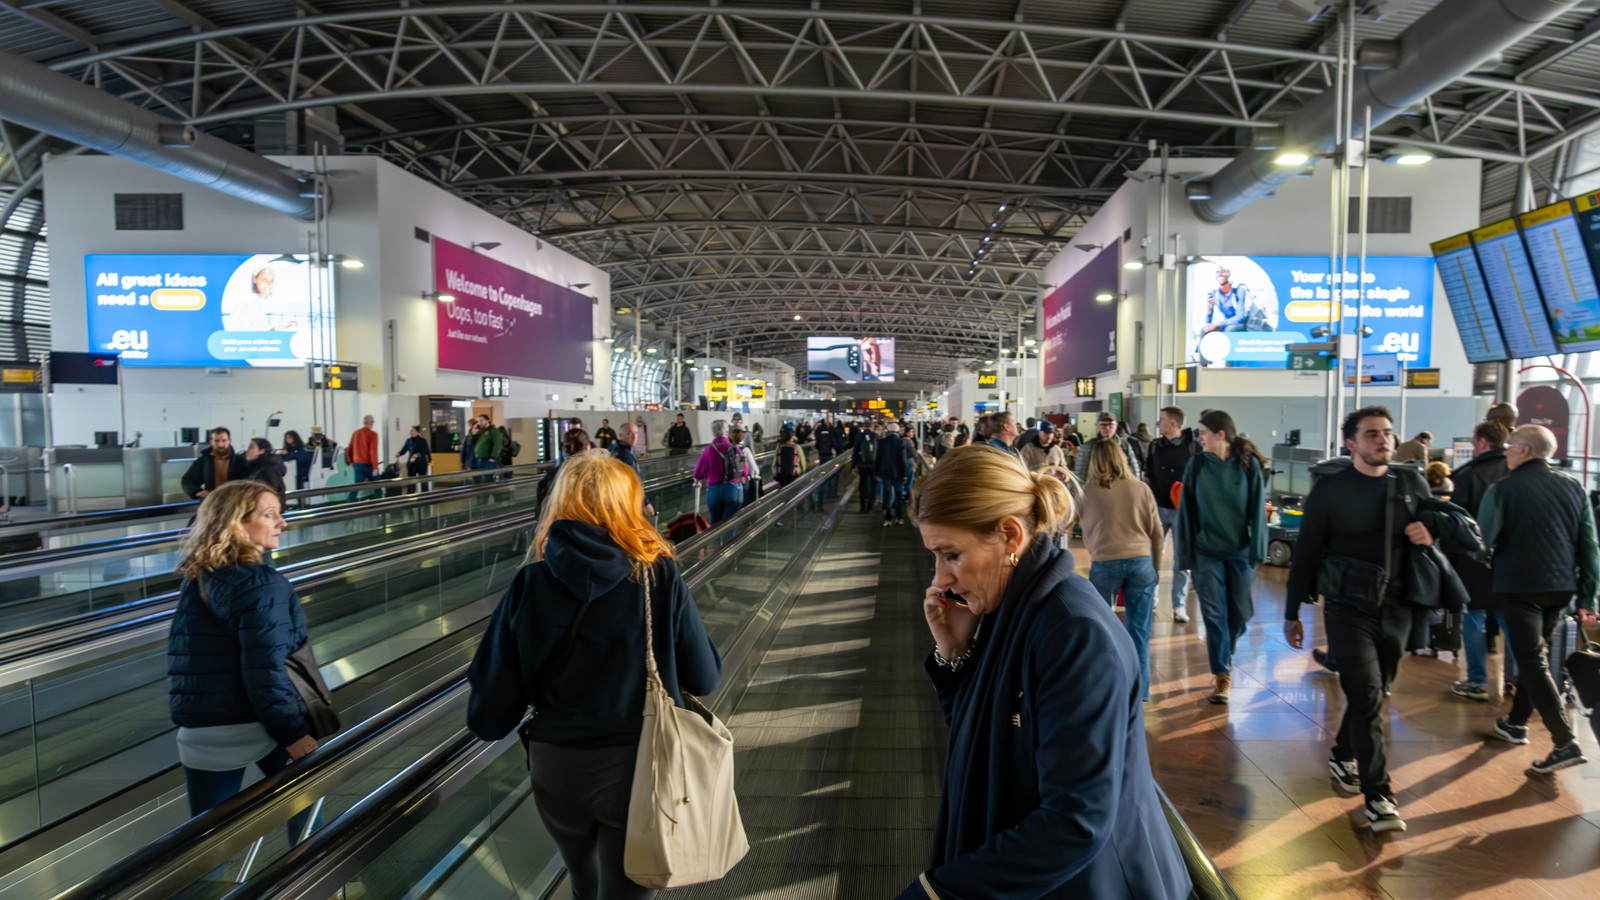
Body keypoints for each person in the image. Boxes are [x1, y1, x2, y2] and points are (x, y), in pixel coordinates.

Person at [899, 445, 1190, 900]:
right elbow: (982, 741)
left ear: (1011, 535)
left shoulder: (1072, 634)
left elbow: (1075, 821)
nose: (940, 580)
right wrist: (954, 653)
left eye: (950, 554)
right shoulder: (1009, 610)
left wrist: (935, 895)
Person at [466, 453, 722, 900]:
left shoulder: (530, 583)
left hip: (556, 768)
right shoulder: (657, 575)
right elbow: (704, 678)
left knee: (585, 882)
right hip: (640, 766)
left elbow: (488, 717)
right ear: (629, 505)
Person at [1284, 406, 1474, 834]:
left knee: (1376, 691)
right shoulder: (1330, 490)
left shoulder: (1409, 481)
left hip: (1399, 606)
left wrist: (1431, 531)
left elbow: (1434, 518)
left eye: (1387, 433)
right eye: (1371, 435)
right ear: (1351, 443)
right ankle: (1379, 796)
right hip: (1347, 607)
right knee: (1368, 693)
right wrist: (1292, 612)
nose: (1383, 441)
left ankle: (1341, 754)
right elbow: (1308, 553)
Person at [167, 481, 319, 832]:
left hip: (200, 729)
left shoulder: (198, 578)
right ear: (236, 522)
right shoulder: (262, 584)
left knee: (204, 842)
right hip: (258, 723)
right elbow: (266, 668)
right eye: (269, 515)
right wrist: (292, 731)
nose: (282, 522)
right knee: (309, 818)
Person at [1477, 425, 1600, 774]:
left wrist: (1484, 554)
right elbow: (1589, 546)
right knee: (1538, 658)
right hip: (1560, 589)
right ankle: (1516, 723)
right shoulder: (1574, 487)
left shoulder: (1502, 489)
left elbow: (1482, 541)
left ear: (1526, 449)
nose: (1505, 453)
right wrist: (1588, 596)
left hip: (1520, 587)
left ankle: (1564, 742)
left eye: (1510, 447)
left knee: (1532, 661)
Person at [1174, 410, 1266, 705]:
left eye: (1202, 433)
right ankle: (1222, 675)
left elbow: (1258, 513)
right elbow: (1185, 512)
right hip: (1205, 553)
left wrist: (1256, 552)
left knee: (1239, 614)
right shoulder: (1197, 465)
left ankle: (1227, 647)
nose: (1198, 438)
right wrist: (1184, 556)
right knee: (1214, 616)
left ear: (1220, 434)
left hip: (1240, 552)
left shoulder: (1248, 466)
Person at [1079, 440, 1164, 702]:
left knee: (1103, 631)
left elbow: (1079, 528)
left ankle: (1107, 692)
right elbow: (1157, 533)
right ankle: (1140, 694)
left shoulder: (1085, 492)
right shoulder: (1140, 488)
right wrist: (1156, 569)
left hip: (1104, 564)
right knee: (1139, 633)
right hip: (1140, 563)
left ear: (1094, 460)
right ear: (1122, 458)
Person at [1449, 421, 1514, 702]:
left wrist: (1452, 561)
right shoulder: (1515, 471)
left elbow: (1457, 523)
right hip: (1511, 559)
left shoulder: (1467, 474)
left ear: (1482, 442)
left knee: (1473, 618)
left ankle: (1476, 681)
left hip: (1475, 558)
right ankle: (1520, 680)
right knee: (1510, 619)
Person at [1145, 406, 1197, 625]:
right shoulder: (1155, 446)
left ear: (1174, 423)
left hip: (1182, 512)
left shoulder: (1193, 447)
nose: (1158, 423)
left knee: (1182, 560)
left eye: (1162, 419)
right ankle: (1152, 597)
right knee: (1152, 556)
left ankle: (1178, 605)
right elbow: (1147, 477)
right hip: (1157, 509)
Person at [693, 419, 746, 524]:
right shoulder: (735, 449)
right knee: (730, 524)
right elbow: (745, 470)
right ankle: (730, 539)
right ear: (726, 432)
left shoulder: (708, 450)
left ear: (713, 433)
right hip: (733, 490)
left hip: (714, 492)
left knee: (715, 525)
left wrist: (697, 480)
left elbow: (698, 472)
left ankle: (716, 539)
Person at [1074, 413, 1142, 484]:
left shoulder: (1124, 445)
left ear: (1116, 425)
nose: (1107, 428)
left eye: (1111, 424)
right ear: (1098, 426)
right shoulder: (1089, 446)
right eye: (1103, 425)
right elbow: (1080, 472)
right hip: (1096, 488)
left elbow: (1134, 469)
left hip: (1121, 488)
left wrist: (1136, 488)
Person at [182, 427, 247, 500]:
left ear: (229, 441)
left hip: (233, 501)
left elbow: (248, 481)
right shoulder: (204, 460)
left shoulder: (239, 460)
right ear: (211, 441)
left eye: (224, 441)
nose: (220, 444)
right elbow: (188, 480)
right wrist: (198, 492)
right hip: (211, 501)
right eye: (216, 441)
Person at [611, 422, 656, 518]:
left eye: (636, 433)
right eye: (630, 433)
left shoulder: (620, 449)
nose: (634, 436)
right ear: (620, 435)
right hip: (624, 501)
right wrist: (646, 502)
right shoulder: (622, 454)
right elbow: (635, 480)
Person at [540, 430, 592, 511]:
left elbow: (541, 512)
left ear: (564, 449)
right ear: (587, 447)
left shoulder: (552, 477)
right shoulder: (596, 475)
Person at [1200, 264, 1259, 333]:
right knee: (1204, 330)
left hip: (1243, 323)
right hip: (1227, 322)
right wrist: (1210, 309)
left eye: (1223, 272)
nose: (1220, 274)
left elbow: (1240, 317)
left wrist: (1219, 324)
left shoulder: (1238, 289)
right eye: (1217, 272)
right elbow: (1208, 322)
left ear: (1229, 274)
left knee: (1229, 329)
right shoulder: (1215, 292)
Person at [876, 422, 910, 526]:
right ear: (897, 431)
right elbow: (903, 460)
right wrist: (904, 474)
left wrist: (876, 472)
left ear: (887, 431)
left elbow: (877, 459)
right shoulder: (900, 442)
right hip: (898, 473)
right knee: (898, 495)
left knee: (887, 494)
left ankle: (888, 518)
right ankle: (899, 517)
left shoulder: (881, 442)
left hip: (885, 473)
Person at [345, 415, 380, 501]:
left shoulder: (356, 433)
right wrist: (375, 468)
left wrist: (351, 462)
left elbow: (348, 449)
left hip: (357, 465)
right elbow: (373, 452)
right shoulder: (373, 434)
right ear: (371, 423)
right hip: (368, 465)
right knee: (378, 486)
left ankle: (348, 506)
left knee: (356, 487)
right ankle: (380, 507)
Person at [243, 438, 288, 503]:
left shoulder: (269, 468)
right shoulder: (256, 465)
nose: (247, 451)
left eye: (251, 447)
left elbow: (270, 490)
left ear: (262, 451)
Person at [852, 421, 881, 513]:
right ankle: (870, 506)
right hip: (874, 464)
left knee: (862, 484)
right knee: (873, 485)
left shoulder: (859, 436)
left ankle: (862, 507)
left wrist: (853, 466)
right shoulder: (877, 436)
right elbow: (880, 453)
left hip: (862, 464)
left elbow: (855, 452)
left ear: (864, 426)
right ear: (873, 427)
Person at [730, 427, 762, 508]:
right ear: (742, 438)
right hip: (743, 481)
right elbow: (753, 468)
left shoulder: (729, 449)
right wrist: (756, 475)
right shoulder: (745, 450)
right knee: (744, 504)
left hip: (731, 482)